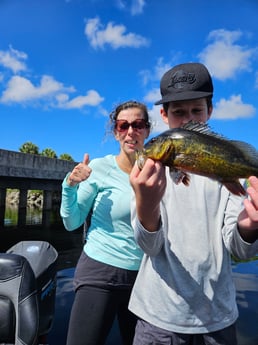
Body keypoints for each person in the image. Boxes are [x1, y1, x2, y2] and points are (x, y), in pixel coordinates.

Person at [128, 63, 258, 345]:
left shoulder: (228, 181)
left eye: (196, 111)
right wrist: (145, 204)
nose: (188, 120)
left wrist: (250, 226)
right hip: (157, 319)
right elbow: (148, 246)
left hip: (217, 319)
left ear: (209, 111)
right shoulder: (148, 176)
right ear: (164, 115)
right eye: (178, 112)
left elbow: (240, 249)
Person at [60, 100, 151, 345]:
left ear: (148, 130)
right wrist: (69, 186)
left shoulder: (157, 171)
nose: (131, 131)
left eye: (138, 124)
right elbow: (72, 222)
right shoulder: (100, 168)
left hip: (145, 278)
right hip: (99, 273)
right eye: (123, 125)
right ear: (116, 132)